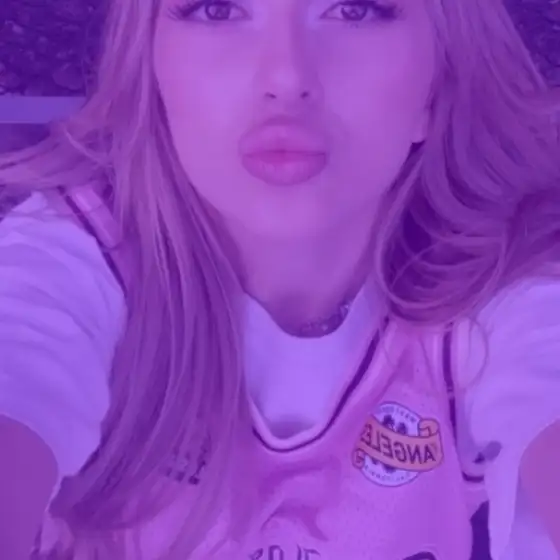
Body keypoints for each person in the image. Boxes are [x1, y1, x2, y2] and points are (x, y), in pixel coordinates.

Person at [0, 0, 560, 558]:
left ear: (436, 86)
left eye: (354, 10)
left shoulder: (504, 287)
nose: (286, 77)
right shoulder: (65, 265)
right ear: (151, 69)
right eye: (217, 10)